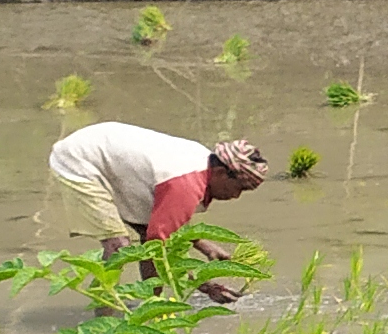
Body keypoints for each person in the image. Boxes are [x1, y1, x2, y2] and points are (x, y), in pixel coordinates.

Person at [45, 123, 269, 304]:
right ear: (221, 173)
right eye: (239, 188)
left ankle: (151, 303)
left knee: (147, 236)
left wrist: (202, 244)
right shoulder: (186, 184)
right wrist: (204, 286)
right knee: (118, 248)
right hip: (79, 159)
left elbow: (164, 221)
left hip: (105, 151)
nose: (237, 196)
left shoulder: (202, 162)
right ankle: (105, 316)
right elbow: (155, 249)